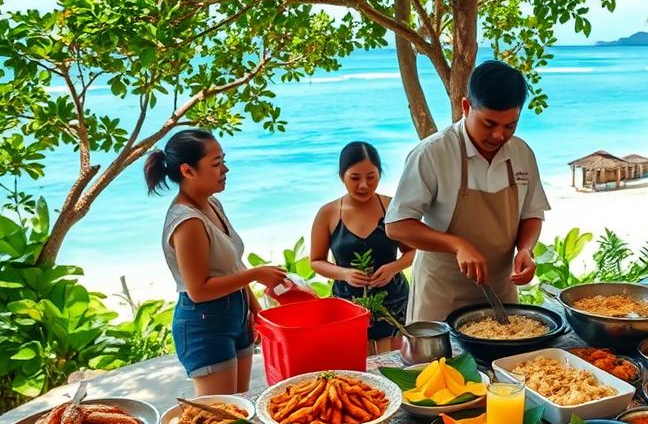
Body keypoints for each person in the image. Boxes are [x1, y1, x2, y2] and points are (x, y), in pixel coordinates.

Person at [385, 60, 550, 321]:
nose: (498, 135)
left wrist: (526, 250)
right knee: (437, 363)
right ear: (466, 107)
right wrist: (457, 245)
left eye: (510, 125)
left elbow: (531, 212)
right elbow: (397, 225)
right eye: (489, 123)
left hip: (500, 293)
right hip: (441, 296)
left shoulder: (522, 153)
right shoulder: (433, 153)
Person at [146, 129, 287, 394]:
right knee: (220, 418)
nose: (226, 169)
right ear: (188, 171)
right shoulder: (187, 222)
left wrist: (255, 310)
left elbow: (233, 264)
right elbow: (199, 290)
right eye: (216, 163)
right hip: (205, 322)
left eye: (223, 160)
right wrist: (255, 275)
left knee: (240, 408)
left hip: (235, 313)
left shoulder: (212, 205)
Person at [310, 141, 414, 354]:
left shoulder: (392, 207)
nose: (364, 185)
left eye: (371, 176)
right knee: (359, 369)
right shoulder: (328, 213)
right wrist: (345, 273)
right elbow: (316, 261)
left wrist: (394, 267)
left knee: (395, 363)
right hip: (349, 305)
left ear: (380, 174)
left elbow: (413, 251)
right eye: (355, 178)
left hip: (394, 302)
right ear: (342, 177)